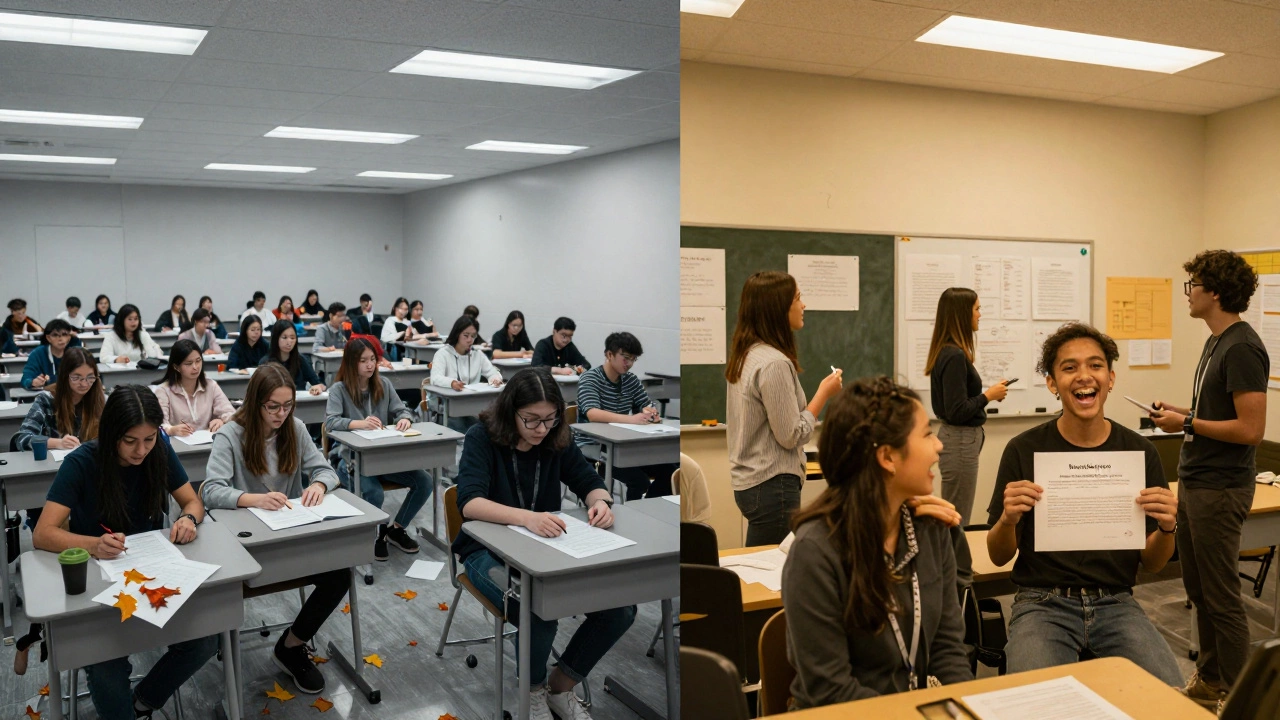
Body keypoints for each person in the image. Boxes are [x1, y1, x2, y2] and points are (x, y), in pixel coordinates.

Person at [985, 323, 1183, 688]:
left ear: (1110, 378)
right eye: (1069, 367)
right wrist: (1008, 520)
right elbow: (998, 556)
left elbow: (1154, 564)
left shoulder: (1140, 452)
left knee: (1170, 697)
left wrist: (1169, 527)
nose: (1083, 376)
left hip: (1116, 603)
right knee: (1035, 706)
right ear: (1051, 383)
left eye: (1094, 365)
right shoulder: (1023, 449)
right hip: (1042, 604)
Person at [454, 368, 632, 720]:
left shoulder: (554, 439)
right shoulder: (482, 438)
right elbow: (469, 503)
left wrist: (601, 502)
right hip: (485, 552)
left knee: (620, 609)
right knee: (536, 609)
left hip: (547, 554)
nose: (541, 429)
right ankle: (532, 692)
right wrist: (526, 517)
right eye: (531, 420)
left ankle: (559, 688)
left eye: (550, 419)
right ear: (511, 411)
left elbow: (588, 480)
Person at [783, 377, 970, 708]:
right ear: (887, 458)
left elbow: (949, 652)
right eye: (927, 434)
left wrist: (963, 710)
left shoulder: (931, 530)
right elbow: (831, 692)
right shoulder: (815, 552)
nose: (939, 446)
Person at [33, 385, 212, 720]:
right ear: (112, 431)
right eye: (130, 440)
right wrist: (93, 545)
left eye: (148, 439)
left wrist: (188, 518)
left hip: (152, 570)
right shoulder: (83, 462)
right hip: (100, 583)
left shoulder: (159, 451)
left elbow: (192, 501)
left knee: (205, 639)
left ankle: (143, 701)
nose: (141, 450)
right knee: (106, 666)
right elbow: (43, 533)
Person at [1150, 250, 1269, 708]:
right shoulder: (1216, 340)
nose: (1189, 293)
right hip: (1198, 483)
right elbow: (1216, 412)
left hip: (1221, 489)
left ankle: (1241, 700)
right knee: (1199, 591)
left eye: (1193, 286)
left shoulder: (1241, 346)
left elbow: (1250, 430)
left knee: (1221, 598)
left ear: (1214, 292)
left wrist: (1185, 425)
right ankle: (1212, 680)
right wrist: (1183, 413)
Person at [200, 364, 347, 694]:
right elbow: (210, 491)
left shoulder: (294, 428)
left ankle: (291, 645)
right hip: (245, 542)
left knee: (339, 575)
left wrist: (319, 487)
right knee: (226, 589)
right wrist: (254, 498)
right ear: (255, 403)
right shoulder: (230, 434)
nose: (281, 414)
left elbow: (327, 471)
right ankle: (220, 639)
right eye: (273, 407)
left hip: (287, 531)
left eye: (287, 405)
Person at [725, 272, 842, 545]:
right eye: (798, 298)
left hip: (752, 484)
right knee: (771, 573)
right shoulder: (775, 363)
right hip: (772, 485)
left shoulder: (747, 354)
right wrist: (823, 394)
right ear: (778, 308)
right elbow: (791, 435)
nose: (804, 306)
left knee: (761, 564)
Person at [924, 287, 1008, 587]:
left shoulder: (949, 352)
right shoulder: (954, 355)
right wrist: (988, 395)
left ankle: (954, 574)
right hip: (959, 438)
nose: (980, 314)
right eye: (976, 309)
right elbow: (957, 410)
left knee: (955, 512)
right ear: (962, 314)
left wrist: (985, 395)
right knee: (955, 515)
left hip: (961, 438)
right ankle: (954, 579)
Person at [325, 338, 428, 560]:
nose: (369, 365)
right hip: (351, 461)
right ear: (351, 363)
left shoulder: (384, 384)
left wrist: (404, 420)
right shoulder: (338, 390)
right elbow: (330, 423)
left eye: (372, 359)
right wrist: (358, 424)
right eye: (363, 361)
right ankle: (375, 534)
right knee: (374, 492)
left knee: (425, 481)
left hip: (383, 459)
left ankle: (396, 529)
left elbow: (403, 410)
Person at [577, 331, 677, 500]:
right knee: (639, 481)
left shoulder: (630, 380)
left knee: (672, 472)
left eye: (633, 359)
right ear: (609, 354)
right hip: (594, 448)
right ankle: (636, 516)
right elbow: (592, 413)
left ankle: (650, 511)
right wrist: (632, 419)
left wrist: (650, 412)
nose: (629, 364)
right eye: (626, 358)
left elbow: (646, 404)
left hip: (624, 446)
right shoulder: (590, 378)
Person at [14, 347, 104, 453]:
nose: (84, 384)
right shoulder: (47, 399)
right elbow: (22, 439)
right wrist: (58, 443)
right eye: (76, 377)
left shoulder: (99, 399)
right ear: (65, 376)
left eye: (90, 377)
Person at [429, 315, 503, 433]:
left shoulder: (477, 355)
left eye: (473, 336)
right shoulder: (442, 354)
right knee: (466, 430)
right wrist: (452, 383)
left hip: (473, 406)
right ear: (457, 334)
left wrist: (495, 378)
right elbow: (435, 378)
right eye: (466, 335)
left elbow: (493, 372)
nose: (470, 340)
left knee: (490, 428)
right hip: (451, 408)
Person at [152, 339, 235, 437]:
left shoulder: (211, 386)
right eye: (188, 363)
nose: (195, 367)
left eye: (198, 361)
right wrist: (171, 430)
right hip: (178, 447)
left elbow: (231, 414)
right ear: (176, 367)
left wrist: (222, 421)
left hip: (209, 444)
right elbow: (158, 425)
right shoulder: (163, 391)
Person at [262, 320, 325, 393]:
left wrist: (318, 387)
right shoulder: (266, 362)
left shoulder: (300, 360)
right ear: (276, 338)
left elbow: (316, 383)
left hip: (300, 401)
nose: (289, 342)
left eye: (292, 338)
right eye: (284, 337)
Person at [21, 318, 74, 390]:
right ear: (48, 338)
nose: (60, 338)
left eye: (64, 334)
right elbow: (25, 379)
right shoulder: (37, 354)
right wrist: (33, 382)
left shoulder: (74, 354)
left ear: (69, 337)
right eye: (55, 335)